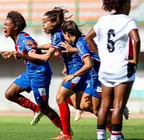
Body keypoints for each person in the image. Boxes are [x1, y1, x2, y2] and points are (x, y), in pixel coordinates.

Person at [28, 7, 92, 140]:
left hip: (78, 69)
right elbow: (53, 46)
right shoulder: (57, 34)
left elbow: (47, 57)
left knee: (60, 98)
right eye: (42, 22)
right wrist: (38, 47)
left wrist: (27, 55)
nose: (43, 25)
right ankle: (109, 116)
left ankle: (66, 134)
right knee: (81, 105)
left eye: (45, 22)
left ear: (53, 22)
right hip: (73, 69)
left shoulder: (58, 34)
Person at [85, 0, 141, 139]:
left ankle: (101, 136)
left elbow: (88, 38)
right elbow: (136, 39)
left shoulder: (103, 20)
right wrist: (135, 60)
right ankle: (116, 137)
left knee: (104, 105)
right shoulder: (128, 20)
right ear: (123, 4)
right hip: (122, 67)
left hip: (105, 68)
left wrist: (100, 55)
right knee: (118, 105)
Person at [1, 11, 63, 131]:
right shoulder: (18, 39)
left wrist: (22, 56)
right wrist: (13, 53)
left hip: (40, 74)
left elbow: (38, 60)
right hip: (30, 72)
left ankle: (65, 131)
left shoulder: (24, 39)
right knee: (10, 94)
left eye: (6, 24)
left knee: (45, 108)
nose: (4, 27)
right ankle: (36, 110)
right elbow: (23, 53)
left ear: (15, 27)